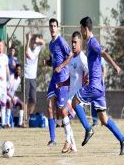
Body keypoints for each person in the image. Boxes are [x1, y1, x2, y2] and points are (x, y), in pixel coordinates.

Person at [72, 16, 124, 155]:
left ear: (85, 29)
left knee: (75, 101)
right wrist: (89, 78)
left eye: (81, 29)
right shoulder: (90, 43)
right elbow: (96, 64)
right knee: (104, 119)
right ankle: (122, 139)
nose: (80, 32)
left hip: (95, 86)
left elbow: (103, 53)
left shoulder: (92, 42)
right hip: (99, 87)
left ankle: (88, 128)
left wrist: (115, 66)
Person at [56, 31, 89, 153]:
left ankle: (68, 141)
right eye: (72, 42)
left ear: (80, 43)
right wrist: (62, 83)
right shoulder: (71, 59)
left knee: (63, 111)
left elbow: (90, 72)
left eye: (76, 42)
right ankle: (73, 146)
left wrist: (88, 81)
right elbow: (71, 78)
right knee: (62, 115)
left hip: (78, 97)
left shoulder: (82, 57)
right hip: (70, 94)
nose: (73, 45)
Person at [44, 18, 72, 147]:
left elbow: (70, 55)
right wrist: (47, 63)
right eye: (51, 26)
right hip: (54, 78)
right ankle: (52, 139)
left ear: (57, 28)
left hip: (62, 78)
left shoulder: (61, 40)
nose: (52, 28)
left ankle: (72, 111)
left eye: (55, 26)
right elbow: (53, 61)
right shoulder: (51, 44)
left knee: (61, 111)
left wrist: (60, 67)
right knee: (50, 107)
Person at [25, 33, 45, 118]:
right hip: (26, 77)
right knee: (25, 99)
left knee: (33, 99)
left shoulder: (37, 49)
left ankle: (29, 115)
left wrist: (38, 40)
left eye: (35, 43)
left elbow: (43, 43)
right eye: (33, 42)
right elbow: (26, 53)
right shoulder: (28, 48)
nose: (34, 44)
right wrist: (28, 39)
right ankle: (24, 117)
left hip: (33, 78)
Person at [91, 57, 106, 127]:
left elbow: (104, 69)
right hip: (93, 84)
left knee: (101, 103)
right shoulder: (91, 58)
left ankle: (103, 120)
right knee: (93, 103)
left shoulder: (101, 58)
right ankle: (95, 121)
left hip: (100, 84)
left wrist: (102, 79)